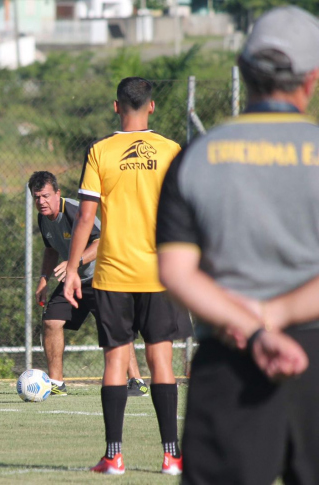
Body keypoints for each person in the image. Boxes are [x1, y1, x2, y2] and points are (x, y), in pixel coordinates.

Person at [156, 6, 319, 483]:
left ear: (244, 72)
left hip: (229, 355)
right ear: (311, 78)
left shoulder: (197, 157)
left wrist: (252, 325)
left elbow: (176, 271)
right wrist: (275, 317)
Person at [62, 77, 193, 475]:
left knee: (116, 361)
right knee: (161, 361)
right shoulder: (172, 151)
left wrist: (71, 269)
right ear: (151, 107)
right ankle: (172, 457)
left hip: (113, 273)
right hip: (160, 273)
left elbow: (86, 217)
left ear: (115, 106)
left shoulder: (100, 151)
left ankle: (114, 456)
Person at [28, 171, 148, 397]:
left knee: (114, 327)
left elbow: (102, 242)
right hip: (74, 280)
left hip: (103, 276)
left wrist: (74, 263)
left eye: (45, 196)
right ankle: (56, 383)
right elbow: (51, 248)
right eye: (36, 197)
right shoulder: (43, 218)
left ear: (58, 193)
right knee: (52, 321)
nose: (41, 202)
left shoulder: (74, 210)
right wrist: (43, 279)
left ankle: (136, 381)